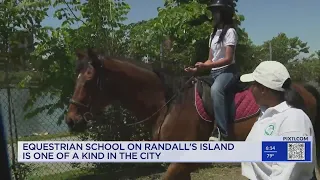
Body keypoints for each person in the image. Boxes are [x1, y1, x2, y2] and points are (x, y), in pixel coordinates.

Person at [240, 60, 317, 180]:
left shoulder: (294, 121)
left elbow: (287, 172)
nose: (250, 89)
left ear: (263, 89)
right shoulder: (267, 113)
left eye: (253, 84)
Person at [184, 0, 238, 141]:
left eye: (216, 11)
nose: (213, 15)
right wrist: (198, 68)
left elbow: (228, 58)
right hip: (214, 72)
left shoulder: (230, 32)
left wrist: (208, 66)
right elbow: (210, 59)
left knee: (216, 90)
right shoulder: (213, 35)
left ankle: (222, 132)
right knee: (195, 85)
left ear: (224, 13)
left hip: (228, 71)